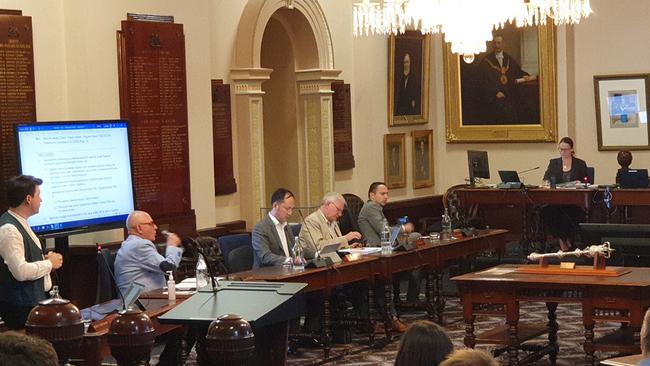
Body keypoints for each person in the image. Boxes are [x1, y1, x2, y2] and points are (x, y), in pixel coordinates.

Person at [0, 175, 63, 330]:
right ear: (28, 199)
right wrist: (49, 263)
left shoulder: (21, 222)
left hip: (32, 302)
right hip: (21, 308)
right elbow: (20, 271)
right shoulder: (9, 229)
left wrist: (43, 259)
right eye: (38, 195)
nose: (41, 199)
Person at [114, 210, 183, 293]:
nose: (155, 227)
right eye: (151, 224)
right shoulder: (139, 245)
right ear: (139, 228)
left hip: (148, 299)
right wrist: (172, 246)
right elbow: (169, 268)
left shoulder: (131, 244)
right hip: (142, 302)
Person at [541, 137, 589, 251]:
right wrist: (547, 182)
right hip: (556, 199)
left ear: (572, 149)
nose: (563, 152)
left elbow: (587, 181)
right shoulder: (554, 163)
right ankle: (563, 240)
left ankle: (564, 240)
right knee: (548, 210)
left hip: (574, 201)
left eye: (566, 149)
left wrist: (580, 183)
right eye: (561, 149)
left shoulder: (580, 164)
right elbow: (546, 178)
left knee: (567, 211)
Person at [478, 34, 532, 124]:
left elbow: (517, 71)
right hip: (493, 98)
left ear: (503, 44)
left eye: (499, 43)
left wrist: (525, 75)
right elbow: (482, 81)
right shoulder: (486, 61)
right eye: (494, 43)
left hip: (508, 96)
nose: (496, 46)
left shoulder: (508, 59)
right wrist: (494, 92)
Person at [299, 192, 362, 259]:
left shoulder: (333, 221)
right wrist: (345, 238)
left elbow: (335, 246)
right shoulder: (312, 221)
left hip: (333, 260)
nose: (340, 214)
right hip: (315, 264)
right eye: (338, 210)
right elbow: (318, 247)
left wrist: (350, 248)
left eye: (341, 211)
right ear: (328, 204)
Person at [252, 188, 296, 268]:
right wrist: (288, 260)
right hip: (268, 274)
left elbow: (293, 249)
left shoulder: (287, 226)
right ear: (275, 205)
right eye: (287, 209)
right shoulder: (260, 228)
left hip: (288, 271)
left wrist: (298, 257)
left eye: (292, 209)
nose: (290, 213)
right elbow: (265, 256)